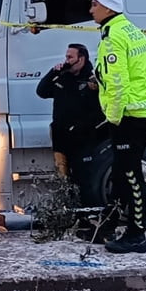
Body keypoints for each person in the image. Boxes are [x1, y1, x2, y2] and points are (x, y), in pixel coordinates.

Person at [90, 0, 146, 254]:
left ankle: (136, 235)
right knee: (121, 173)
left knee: (130, 175)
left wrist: (113, 117)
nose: (90, 9)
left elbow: (118, 81)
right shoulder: (130, 29)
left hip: (129, 115)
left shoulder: (113, 37)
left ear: (107, 8)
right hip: (140, 111)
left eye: (94, 5)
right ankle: (108, 225)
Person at [35, 43, 102, 185]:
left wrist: (79, 127)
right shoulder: (62, 77)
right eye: (66, 57)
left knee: (83, 178)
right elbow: (41, 91)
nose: (67, 60)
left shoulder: (92, 80)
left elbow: (99, 113)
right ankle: (66, 203)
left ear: (81, 59)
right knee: (64, 180)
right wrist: (53, 72)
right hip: (61, 140)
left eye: (70, 57)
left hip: (82, 141)